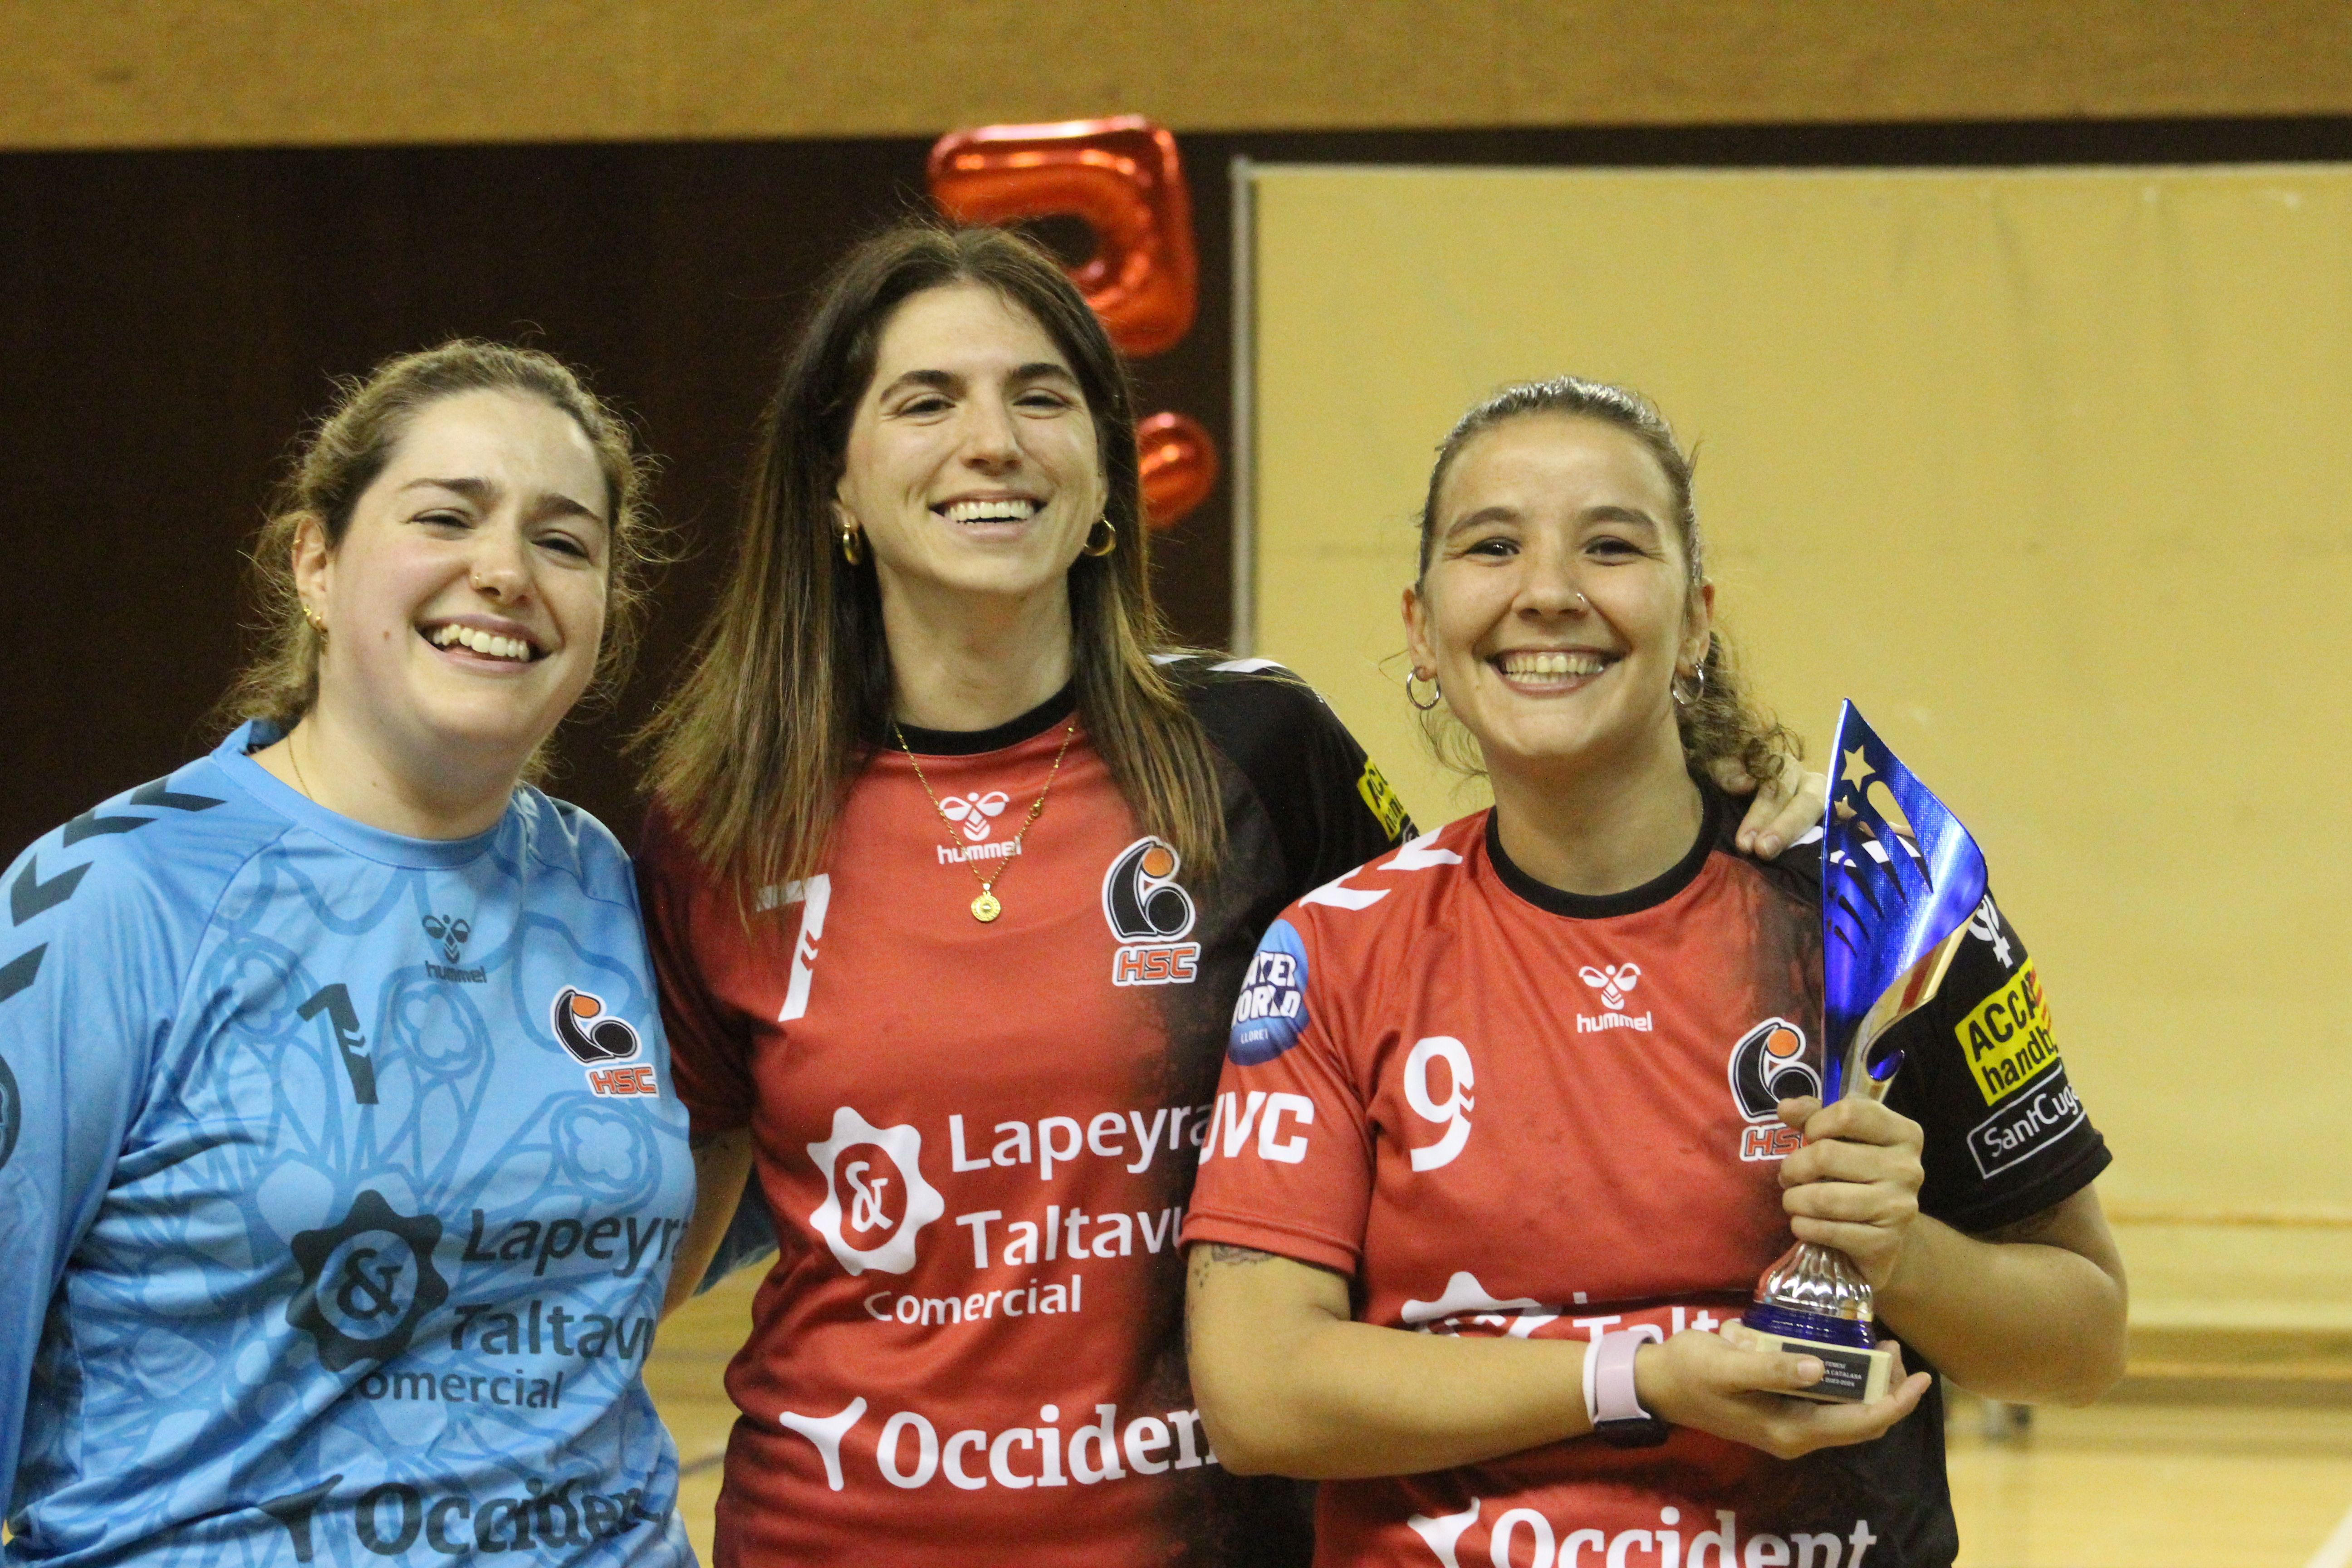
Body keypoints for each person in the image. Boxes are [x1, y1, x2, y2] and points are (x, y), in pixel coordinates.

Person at [635, 229, 1826, 1566]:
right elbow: (672, 1183)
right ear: (836, 483)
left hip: (1204, 1537)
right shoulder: (721, 819)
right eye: (927, 401)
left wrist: (1737, 783)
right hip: (823, 1539)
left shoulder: (1258, 750)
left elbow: (1495, 961)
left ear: (1103, 481)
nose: (994, 443)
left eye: (1041, 397)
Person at [1182, 377, 2128, 1568]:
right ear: (1422, 627)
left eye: (1613, 546)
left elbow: (2085, 1342)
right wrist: (1642, 1380)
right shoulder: (1333, 950)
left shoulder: (1891, 911)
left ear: (1694, 623)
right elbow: (1260, 1393)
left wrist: (1905, 1255)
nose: (1549, 592)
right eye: (1493, 545)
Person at [0, 342, 696, 1565]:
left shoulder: (607, 884)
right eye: (448, 517)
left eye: (564, 542)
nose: (505, 573)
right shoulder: (118, 895)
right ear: (316, 565)